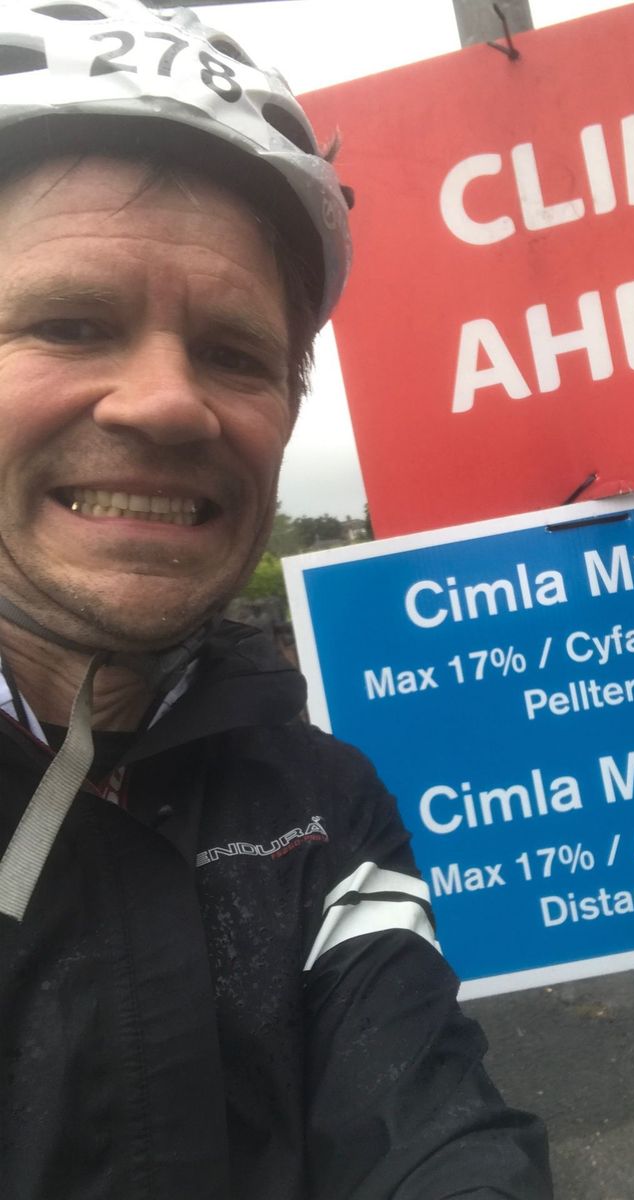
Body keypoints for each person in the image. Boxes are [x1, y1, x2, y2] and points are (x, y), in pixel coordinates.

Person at [0, 2, 553, 1197]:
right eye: (69, 323)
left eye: (235, 354)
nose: (168, 402)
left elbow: (434, 1132)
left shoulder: (320, 804)